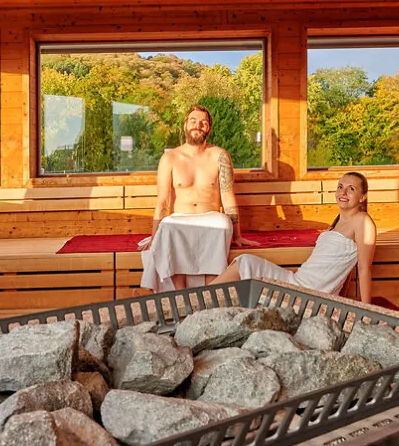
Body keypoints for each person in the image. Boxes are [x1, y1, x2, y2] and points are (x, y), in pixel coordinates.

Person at [139, 105, 259, 292]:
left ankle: (210, 291)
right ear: (185, 125)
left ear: (208, 128)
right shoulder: (170, 158)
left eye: (203, 122)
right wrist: (155, 236)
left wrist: (237, 235)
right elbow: (162, 200)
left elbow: (227, 196)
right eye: (193, 121)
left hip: (211, 216)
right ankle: (179, 293)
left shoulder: (220, 156)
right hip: (180, 217)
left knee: (221, 224)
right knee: (168, 227)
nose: (198, 125)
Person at [209, 172, 377, 304]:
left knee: (245, 262)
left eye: (351, 189)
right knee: (244, 263)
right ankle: (201, 301)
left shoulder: (362, 221)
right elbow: (341, 268)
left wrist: (366, 309)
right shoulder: (338, 222)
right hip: (297, 281)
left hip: (308, 292)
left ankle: (196, 300)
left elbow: (364, 268)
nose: (343, 192)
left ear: (362, 197)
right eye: (340, 187)